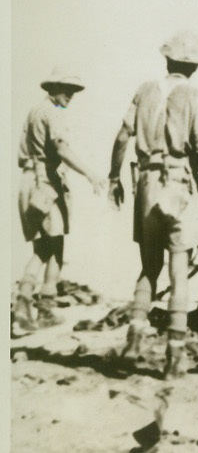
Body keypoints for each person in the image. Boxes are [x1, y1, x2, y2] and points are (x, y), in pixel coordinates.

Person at [108, 30, 198, 378]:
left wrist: (114, 178)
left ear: (167, 59)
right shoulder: (196, 95)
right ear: (195, 67)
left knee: (149, 267)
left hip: (146, 184)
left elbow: (122, 137)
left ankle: (133, 343)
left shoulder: (145, 90)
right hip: (178, 184)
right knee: (178, 268)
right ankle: (175, 355)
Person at [14, 69, 108, 336]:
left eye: (74, 90)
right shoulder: (52, 112)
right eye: (66, 89)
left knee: (46, 245)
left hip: (30, 182)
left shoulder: (35, 111)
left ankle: (40, 306)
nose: (71, 94)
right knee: (51, 247)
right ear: (53, 88)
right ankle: (27, 305)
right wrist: (89, 173)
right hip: (46, 183)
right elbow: (61, 148)